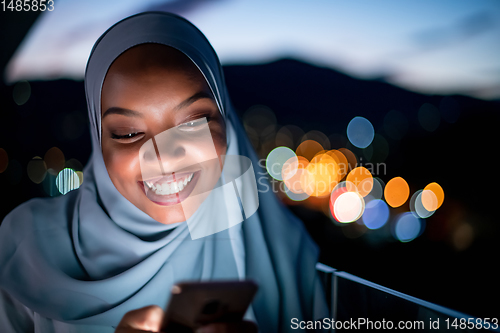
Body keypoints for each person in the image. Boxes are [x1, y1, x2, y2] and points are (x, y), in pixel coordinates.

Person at [0, 12, 329, 332]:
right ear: (98, 141)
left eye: (192, 123)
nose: (165, 156)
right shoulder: (24, 249)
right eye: (129, 133)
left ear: (226, 121)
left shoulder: (279, 244)